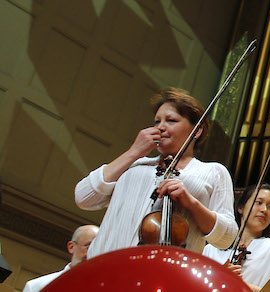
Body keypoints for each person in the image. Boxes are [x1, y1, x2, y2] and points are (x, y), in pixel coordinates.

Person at [74, 87, 236, 257]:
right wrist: (133, 152)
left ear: (197, 130)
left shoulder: (213, 172)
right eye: (157, 121)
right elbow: (84, 198)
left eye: (171, 120)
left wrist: (191, 203)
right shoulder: (135, 164)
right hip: (104, 266)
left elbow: (227, 237)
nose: (161, 127)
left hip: (162, 273)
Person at [203, 184, 270, 291]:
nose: (264, 210)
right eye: (259, 202)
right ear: (241, 208)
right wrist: (219, 277)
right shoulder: (211, 249)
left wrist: (239, 284)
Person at [21, 224, 98, 292]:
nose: (93, 254)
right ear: (71, 247)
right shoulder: (38, 287)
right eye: (89, 247)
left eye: (99, 250)